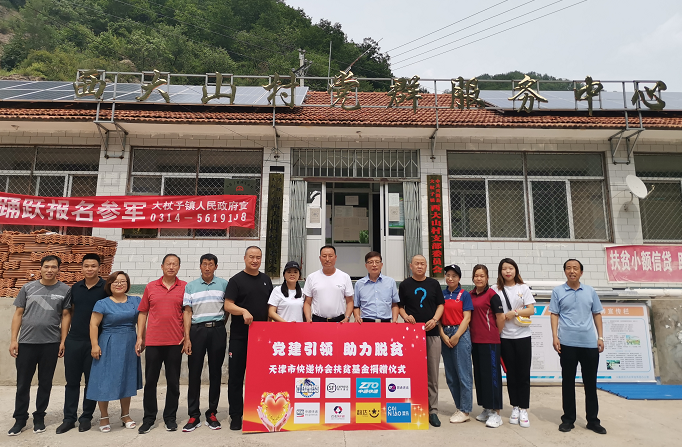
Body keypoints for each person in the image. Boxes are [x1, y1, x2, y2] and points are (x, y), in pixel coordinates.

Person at [8, 255, 71, 436]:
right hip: (26, 343)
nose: (49, 270)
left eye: (53, 267)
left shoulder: (65, 290)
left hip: (50, 344)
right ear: (41, 268)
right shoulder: (28, 288)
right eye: (46, 267)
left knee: (45, 383)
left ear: (58, 269)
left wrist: (63, 341)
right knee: (23, 383)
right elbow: (18, 314)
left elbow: (66, 316)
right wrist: (14, 339)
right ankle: (20, 419)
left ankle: (39, 417)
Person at [550, 259, 606, 435]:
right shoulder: (558, 291)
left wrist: (600, 337)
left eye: (575, 268)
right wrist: (555, 336)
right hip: (567, 343)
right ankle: (568, 419)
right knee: (568, 382)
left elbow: (597, 314)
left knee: (590, 383)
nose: (572, 271)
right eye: (568, 268)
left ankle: (593, 421)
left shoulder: (590, 291)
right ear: (565, 271)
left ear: (581, 272)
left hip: (589, 343)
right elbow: (554, 314)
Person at [136, 254, 187, 434]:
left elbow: (188, 313)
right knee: (150, 382)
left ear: (179, 267)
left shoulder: (185, 287)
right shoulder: (151, 287)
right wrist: (140, 337)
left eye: (175, 264)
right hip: (153, 342)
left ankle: (170, 418)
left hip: (175, 342)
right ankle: (149, 418)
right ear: (162, 266)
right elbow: (143, 312)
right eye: (168, 264)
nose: (171, 267)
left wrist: (187, 336)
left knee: (173, 382)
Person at [224, 246, 273, 430]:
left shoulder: (266, 280)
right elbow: (228, 305)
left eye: (258, 257)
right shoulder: (236, 280)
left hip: (261, 339)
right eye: (251, 257)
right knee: (236, 378)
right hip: (240, 337)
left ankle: (258, 413)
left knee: (260, 378)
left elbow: (270, 306)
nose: (255, 260)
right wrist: (243, 310)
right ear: (245, 258)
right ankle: (236, 415)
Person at [56, 253, 106, 434]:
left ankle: (86, 417)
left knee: (91, 382)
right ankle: (69, 418)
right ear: (82, 267)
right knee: (72, 382)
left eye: (93, 266)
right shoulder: (75, 288)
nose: (90, 269)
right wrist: (64, 340)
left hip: (95, 342)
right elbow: (68, 313)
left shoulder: (106, 288)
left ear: (99, 267)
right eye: (86, 266)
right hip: (74, 341)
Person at [87, 271, 142, 433]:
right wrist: (94, 345)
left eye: (123, 281)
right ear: (109, 285)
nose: (119, 284)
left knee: (126, 378)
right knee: (104, 379)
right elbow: (93, 325)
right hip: (108, 342)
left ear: (128, 284)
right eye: (115, 282)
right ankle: (104, 416)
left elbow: (142, 320)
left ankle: (125, 415)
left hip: (129, 342)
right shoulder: (102, 303)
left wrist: (141, 338)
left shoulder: (135, 301)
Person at [182, 254, 228, 432]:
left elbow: (227, 308)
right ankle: (194, 414)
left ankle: (212, 413)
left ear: (216, 266)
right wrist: (187, 337)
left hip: (217, 330)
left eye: (211, 264)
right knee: (194, 372)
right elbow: (187, 312)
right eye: (204, 264)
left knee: (215, 372)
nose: (207, 267)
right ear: (200, 266)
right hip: (197, 331)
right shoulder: (191, 286)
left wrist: (220, 325)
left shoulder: (224, 284)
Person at [398, 255, 444, 428]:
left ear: (426, 266)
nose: (419, 266)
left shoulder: (434, 284)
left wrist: (435, 320)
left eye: (422, 264)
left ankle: (433, 411)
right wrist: (405, 316)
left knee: (432, 374)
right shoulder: (404, 285)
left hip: (432, 333)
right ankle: (413, 406)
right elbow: (400, 306)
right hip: (411, 335)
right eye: (416, 264)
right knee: (411, 372)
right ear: (410, 266)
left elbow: (441, 305)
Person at [491, 258, 536, 428]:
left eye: (510, 268)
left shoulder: (523, 288)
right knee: (510, 374)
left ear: (515, 270)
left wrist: (514, 313)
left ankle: (524, 409)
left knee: (523, 374)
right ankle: (515, 407)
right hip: (504, 337)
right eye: (504, 268)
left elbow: (531, 309)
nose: (507, 271)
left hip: (523, 336)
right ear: (500, 271)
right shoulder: (495, 289)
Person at [469, 264, 505, 428]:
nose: (479, 278)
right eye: (476, 275)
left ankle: (496, 413)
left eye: (482, 276)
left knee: (492, 377)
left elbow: (500, 318)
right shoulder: (470, 295)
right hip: (475, 341)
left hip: (490, 342)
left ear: (487, 278)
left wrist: (495, 333)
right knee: (480, 376)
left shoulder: (492, 295)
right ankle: (486, 408)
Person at [439, 264, 474, 424]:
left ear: (459, 278)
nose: (450, 278)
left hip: (460, 333)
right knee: (451, 375)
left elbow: (467, 318)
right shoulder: (442, 294)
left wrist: (457, 335)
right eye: (448, 275)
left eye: (454, 276)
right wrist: (443, 335)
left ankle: (465, 410)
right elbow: (438, 317)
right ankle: (459, 407)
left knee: (463, 373)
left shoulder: (464, 294)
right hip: (445, 333)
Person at [302, 245, 354, 323]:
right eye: (324, 256)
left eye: (330, 256)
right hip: (317, 320)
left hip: (339, 321)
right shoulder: (311, 277)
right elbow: (307, 302)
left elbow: (350, 301)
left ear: (335, 257)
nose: (327, 259)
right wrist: (308, 318)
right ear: (320, 258)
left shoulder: (344, 277)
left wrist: (347, 317)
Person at [353, 251, 399, 323]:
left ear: (381, 265)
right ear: (366, 266)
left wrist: (395, 320)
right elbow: (356, 306)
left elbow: (395, 304)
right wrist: (357, 317)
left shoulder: (390, 282)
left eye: (377, 262)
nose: (374, 265)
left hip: (386, 322)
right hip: (366, 322)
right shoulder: (359, 284)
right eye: (370, 262)